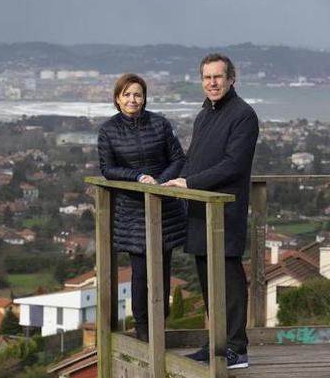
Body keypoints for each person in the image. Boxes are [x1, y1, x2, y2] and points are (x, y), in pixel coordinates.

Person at [163, 54, 259, 369]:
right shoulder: (204, 115)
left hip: (224, 212)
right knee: (207, 279)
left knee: (229, 281)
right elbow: (193, 160)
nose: (212, 83)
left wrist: (189, 181)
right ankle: (215, 343)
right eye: (207, 77)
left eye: (218, 77)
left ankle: (236, 350)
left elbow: (234, 164)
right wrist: (169, 181)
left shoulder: (243, 115)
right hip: (199, 210)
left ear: (231, 78)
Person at [98, 73, 186, 342]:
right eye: (127, 94)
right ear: (117, 98)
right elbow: (108, 169)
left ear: (145, 97)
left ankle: (161, 323)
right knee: (140, 272)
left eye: (137, 94)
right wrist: (136, 178)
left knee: (163, 268)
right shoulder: (108, 130)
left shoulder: (160, 124)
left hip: (164, 206)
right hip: (132, 210)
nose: (132, 99)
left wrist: (159, 182)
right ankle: (143, 328)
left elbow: (178, 158)